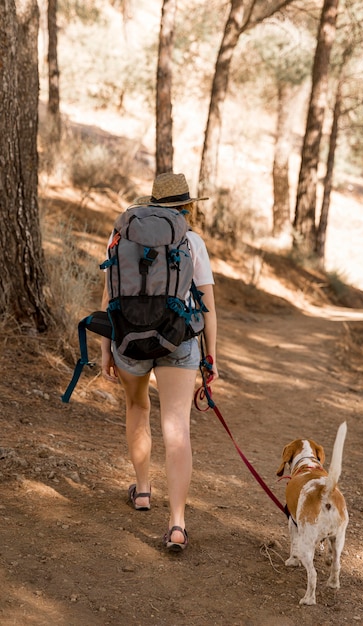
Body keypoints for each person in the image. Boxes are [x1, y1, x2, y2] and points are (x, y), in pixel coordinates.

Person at [101, 172, 218, 552]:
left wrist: (106, 347)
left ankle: (143, 490)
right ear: (186, 207)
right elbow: (209, 309)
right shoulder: (192, 240)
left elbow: (109, 297)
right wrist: (211, 358)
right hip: (178, 340)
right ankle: (178, 523)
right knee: (176, 426)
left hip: (128, 338)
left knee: (137, 406)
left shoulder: (122, 235)